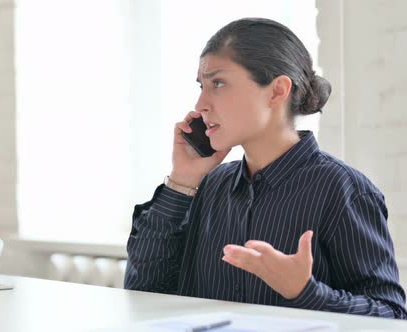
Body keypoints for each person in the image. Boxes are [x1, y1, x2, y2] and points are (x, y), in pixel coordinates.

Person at [124, 18, 407, 319]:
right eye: (201, 86)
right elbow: (145, 293)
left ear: (277, 91)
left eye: (217, 83)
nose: (201, 104)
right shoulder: (207, 185)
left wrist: (305, 292)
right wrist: (182, 181)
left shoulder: (343, 190)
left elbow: (390, 315)